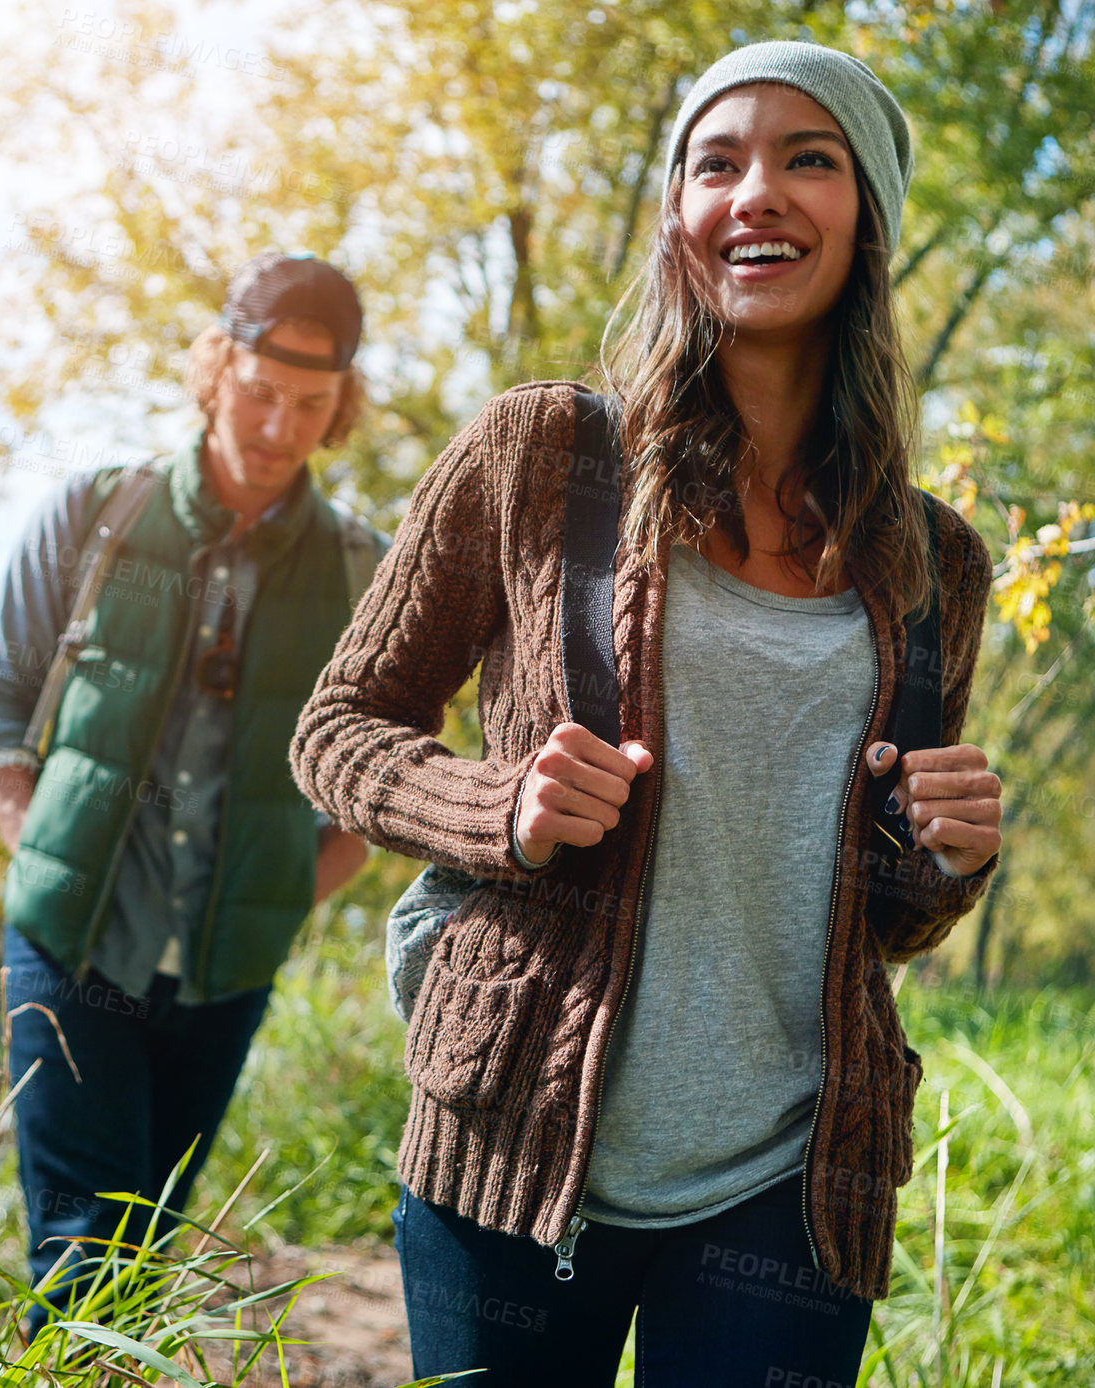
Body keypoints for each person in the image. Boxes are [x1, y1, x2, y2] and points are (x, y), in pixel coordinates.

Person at [291, 42, 1002, 1385]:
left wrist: (949, 859)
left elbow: (887, 914)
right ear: (677, 211)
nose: (757, 193)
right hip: (515, 1138)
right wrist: (494, 806)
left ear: (869, 219)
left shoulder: (933, 560)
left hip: (792, 1181)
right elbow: (339, 726)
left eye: (809, 159)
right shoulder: (543, 455)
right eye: (716, 161)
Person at [0, 251, 384, 1338]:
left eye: (310, 404)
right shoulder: (96, 513)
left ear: (340, 408)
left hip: (227, 972)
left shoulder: (361, 571)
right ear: (212, 368)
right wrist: (33, 834)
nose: (279, 425)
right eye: (258, 391)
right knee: (80, 1257)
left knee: (141, 1262)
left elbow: (382, 778)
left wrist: (288, 892)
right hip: (71, 940)